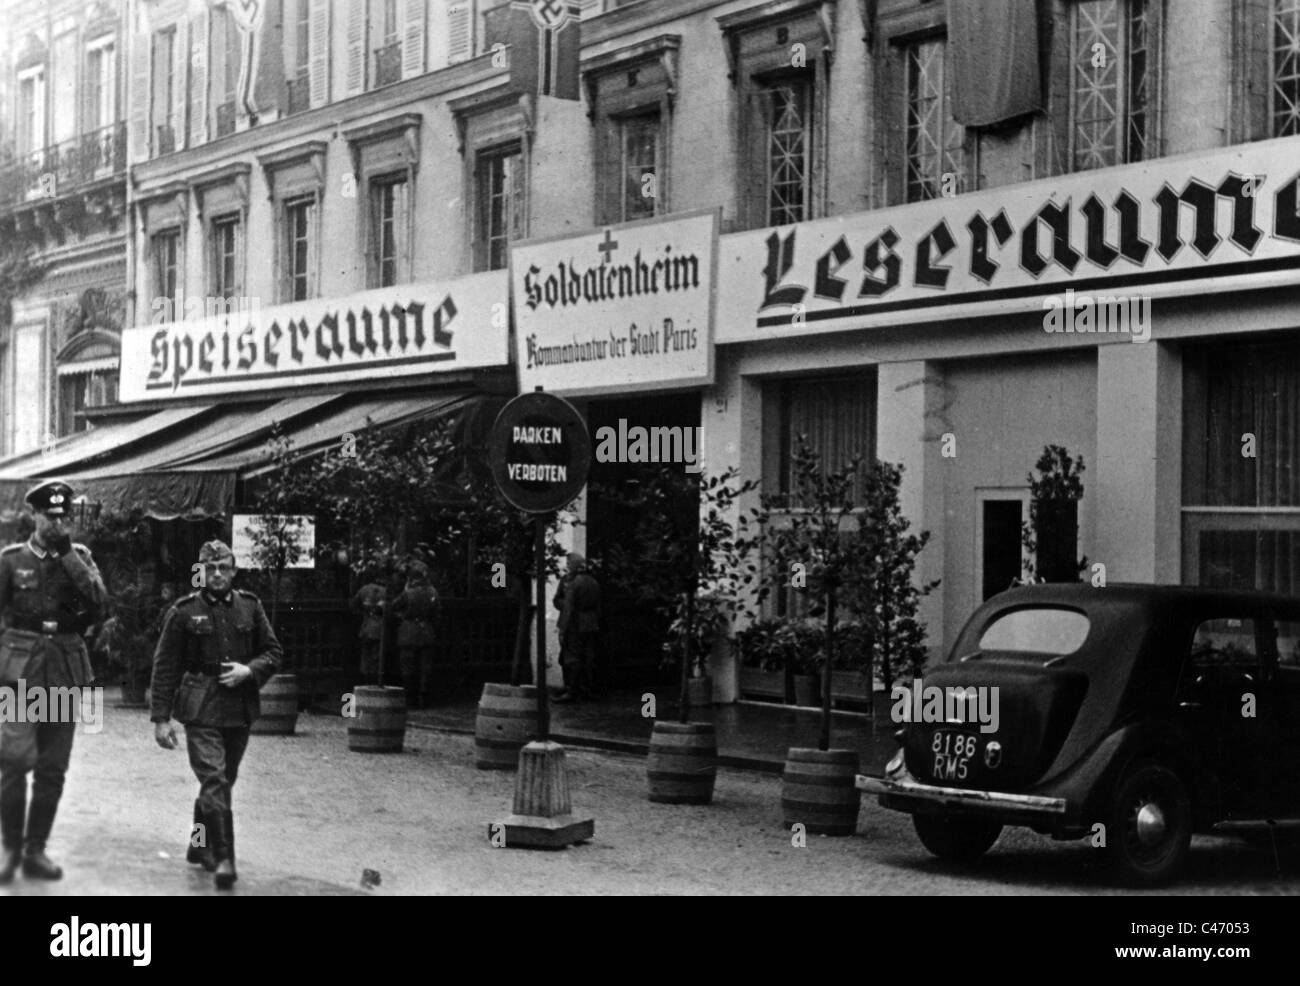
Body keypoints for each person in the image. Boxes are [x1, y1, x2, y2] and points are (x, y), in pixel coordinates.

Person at [149, 539, 282, 890]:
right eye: (211, 568)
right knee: (215, 781)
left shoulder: (250, 608)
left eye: (224, 567)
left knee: (223, 781)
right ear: (201, 572)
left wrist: (249, 671)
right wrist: (161, 718)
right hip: (200, 706)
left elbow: (273, 652)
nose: (218, 574)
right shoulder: (182, 611)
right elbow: (165, 667)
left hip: (239, 708)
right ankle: (225, 857)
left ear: (234, 571)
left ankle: (197, 845)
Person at [0, 480, 107, 883]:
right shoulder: (11, 560)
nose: (56, 523)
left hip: (63, 673)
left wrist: (67, 555)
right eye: (49, 515)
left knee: (52, 767)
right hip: (19, 676)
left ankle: (35, 849)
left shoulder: (78, 557)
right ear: (34, 516)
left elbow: (99, 604)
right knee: (13, 762)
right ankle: (10, 848)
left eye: (62, 516)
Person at [554, 553, 601, 703]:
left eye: (569, 563)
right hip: (590, 624)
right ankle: (587, 690)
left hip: (575, 624)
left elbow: (568, 608)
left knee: (572, 659)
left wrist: (563, 629)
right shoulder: (593, 582)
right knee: (587, 658)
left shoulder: (575, 583)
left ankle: (572, 692)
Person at [391, 562, 439, 708]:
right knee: (426, 666)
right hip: (426, 631)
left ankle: (410, 699)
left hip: (408, 631)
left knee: (408, 666)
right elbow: (437, 614)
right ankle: (424, 698)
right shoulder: (433, 592)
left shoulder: (408, 593)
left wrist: (402, 615)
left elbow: (393, 606)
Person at [350, 575, 386, 686]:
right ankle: (375, 681)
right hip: (379, 627)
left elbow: (353, 605)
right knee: (377, 657)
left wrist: (362, 612)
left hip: (366, 626)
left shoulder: (363, 590)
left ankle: (366, 681)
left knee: (365, 656)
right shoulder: (384, 591)